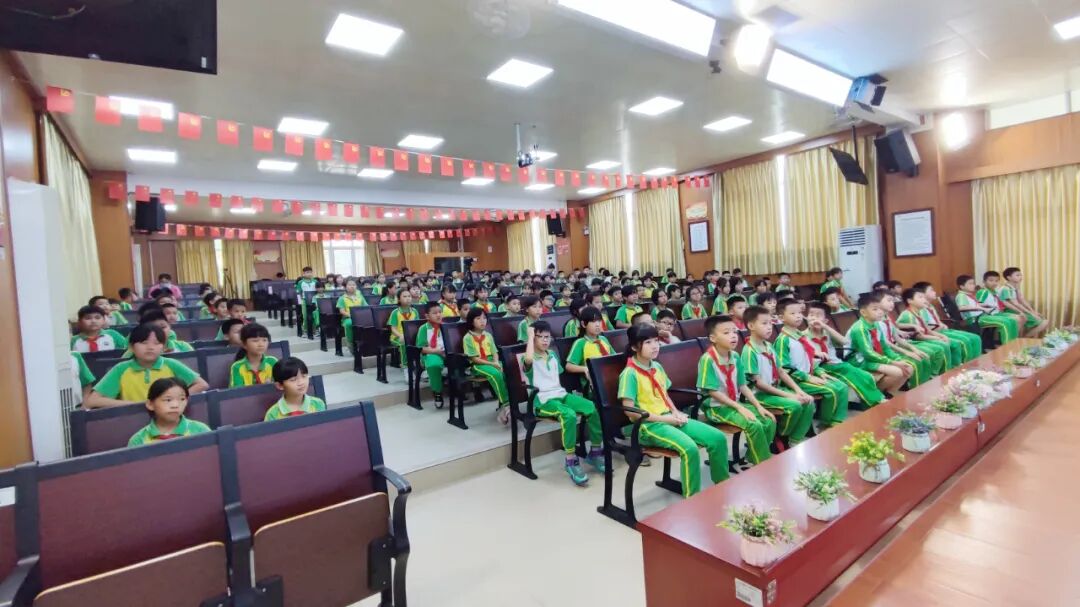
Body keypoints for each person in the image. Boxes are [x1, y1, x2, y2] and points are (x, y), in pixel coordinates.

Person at [619, 324, 729, 496]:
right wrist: (667, 419)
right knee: (689, 449)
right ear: (634, 347)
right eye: (648, 342)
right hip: (648, 426)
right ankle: (693, 498)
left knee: (717, 438)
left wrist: (675, 412)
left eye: (656, 341)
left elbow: (664, 394)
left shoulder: (657, 367)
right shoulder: (629, 374)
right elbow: (630, 411)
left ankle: (723, 485)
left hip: (668, 418)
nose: (655, 346)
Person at [522, 321, 604, 485]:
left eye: (547, 337)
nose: (545, 340)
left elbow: (558, 376)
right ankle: (571, 460)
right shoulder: (528, 358)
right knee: (568, 414)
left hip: (560, 394)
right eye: (540, 337)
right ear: (533, 338)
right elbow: (529, 358)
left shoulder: (552, 354)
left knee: (592, 408)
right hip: (543, 401)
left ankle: (595, 452)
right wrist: (530, 336)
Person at [696, 315, 775, 465]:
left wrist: (758, 406)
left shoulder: (735, 356)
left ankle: (754, 457)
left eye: (734, 331)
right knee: (753, 424)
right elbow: (712, 391)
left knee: (768, 419)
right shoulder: (708, 359)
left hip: (734, 404)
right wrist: (740, 408)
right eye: (726, 333)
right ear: (713, 338)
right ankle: (763, 463)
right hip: (716, 408)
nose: (733, 336)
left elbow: (742, 385)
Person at [85, 323, 208, 408]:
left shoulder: (171, 364)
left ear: (163, 347)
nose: (150, 347)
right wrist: (132, 405)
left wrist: (173, 400)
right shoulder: (121, 369)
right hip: (132, 418)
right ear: (131, 347)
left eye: (157, 343)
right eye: (144, 343)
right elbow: (92, 400)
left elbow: (202, 384)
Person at [740, 306, 815, 446]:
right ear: (751, 326)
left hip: (775, 389)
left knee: (808, 401)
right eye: (764, 323)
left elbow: (781, 372)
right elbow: (759, 383)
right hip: (759, 395)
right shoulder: (749, 351)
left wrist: (799, 391)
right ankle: (779, 437)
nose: (769, 327)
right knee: (795, 405)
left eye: (770, 323)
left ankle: (794, 439)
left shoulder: (769, 346)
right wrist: (790, 395)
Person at [773, 300, 849, 427]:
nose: (798, 316)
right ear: (781, 318)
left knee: (842, 386)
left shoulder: (799, 334)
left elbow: (808, 358)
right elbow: (785, 368)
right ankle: (826, 424)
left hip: (807, 376)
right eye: (793, 313)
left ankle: (837, 421)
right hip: (795, 381)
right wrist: (808, 377)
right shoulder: (783, 340)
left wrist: (819, 371)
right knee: (831, 390)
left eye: (799, 312)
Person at [804, 302, 885, 407]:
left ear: (825, 320)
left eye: (818, 315)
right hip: (820, 367)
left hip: (837, 364)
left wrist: (825, 327)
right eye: (811, 314)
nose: (814, 318)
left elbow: (844, 341)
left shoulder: (827, 332)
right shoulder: (803, 336)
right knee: (850, 373)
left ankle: (872, 400)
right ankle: (875, 402)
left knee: (866, 376)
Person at [844, 293, 914, 395]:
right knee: (897, 372)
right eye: (875, 309)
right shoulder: (859, 329)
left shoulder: (876, 324)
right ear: (863, 312)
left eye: (880, 309)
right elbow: (868, 353)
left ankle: (890, 394)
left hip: (873, 358)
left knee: (909, 368)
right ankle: (875, 393)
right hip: (859, 360)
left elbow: (885, 347)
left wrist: (898, 359)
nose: (880, 312)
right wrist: (893, 362)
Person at [877, 291, 939, 387]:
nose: (892, 303)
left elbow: (897, 338)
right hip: (885, 352)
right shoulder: (876, 321)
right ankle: (915, 386)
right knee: (916, 361)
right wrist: (907, 352)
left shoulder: (886, 317)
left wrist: (913, 349)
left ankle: (926, 382)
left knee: (924, 355)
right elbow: (886, 343)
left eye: (892, 301)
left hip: (894, 346)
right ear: (877, 303)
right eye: (888, 300)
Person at [127, 378, 211, 447]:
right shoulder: (138, 440)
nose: (175, 405)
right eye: (168, 400)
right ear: (150, 404)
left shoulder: (200, 430)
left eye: (182, 399)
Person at [911, 282, 983, 362]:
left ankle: (976, 361)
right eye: (931, 290)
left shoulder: (930, 306)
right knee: (960, 342)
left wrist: (941, 324)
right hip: (934, 333)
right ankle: (961, 364)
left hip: (941, 330)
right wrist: (938, 329)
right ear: (923, 294)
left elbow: (937, 321)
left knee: (975, 338)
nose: (934, 292)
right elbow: (926, 328)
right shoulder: (921, 309)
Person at [462, 307, 511, 424]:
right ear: (471, 321)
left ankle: (512, 400)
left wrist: (496, 362)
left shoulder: (488, 335)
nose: (482, 321)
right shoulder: (468, 338)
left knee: (509, 369)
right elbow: (474, 358)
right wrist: (493, 364)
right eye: (478, 318)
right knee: (495, 374)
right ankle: (506, 404)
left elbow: (495, 352)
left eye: (484, 318)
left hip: (492, 361)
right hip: (478, 365)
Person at [897, 288, 960, 370]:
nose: (924, 299)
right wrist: (938, 338)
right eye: (920, 297)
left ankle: (951, 368)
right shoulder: (907, 315)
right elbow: (919, 336)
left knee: (947, 341)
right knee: (943, 345)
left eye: (924, 297)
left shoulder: (919, 312)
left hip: (924, 338)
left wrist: (942, 336)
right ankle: (940, 372)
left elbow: (928, 330)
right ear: (910, 301)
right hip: (915, 341)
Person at [955, 274, 1018, 344]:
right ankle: (1008, 345)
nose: (973, 285)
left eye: (973, 283)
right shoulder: (961, 296)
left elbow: (973, 305)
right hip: (974, 319)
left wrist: (985, 305)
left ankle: (1013, 342)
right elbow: (961, 307)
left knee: (1011, 320)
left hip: (980, 316)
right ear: (962, 286)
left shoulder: (969, 295)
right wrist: (981, 308)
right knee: (1005, 322)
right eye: (970, 284)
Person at [566, 307, 615, 393]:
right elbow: (569, 366)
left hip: (609, 377)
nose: (598, 325)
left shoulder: (603, 339)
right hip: (593, 384)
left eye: (599, 321)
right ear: (583, 324)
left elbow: (614, 357)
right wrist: (585, 369)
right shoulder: (580, 343)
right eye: (593, 321)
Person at [983, 271, 1040, 336]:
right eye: (991, 280)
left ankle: (1015, 338)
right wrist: (1028, 312)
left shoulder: (995, 291)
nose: (994, 283)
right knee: (1021, 318)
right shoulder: (984, 291)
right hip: (993, 314)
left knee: (1022, 318)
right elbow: (1011, 303)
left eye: (996, 281)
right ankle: (1013, 338)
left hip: (998, 312)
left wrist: (1028, 311)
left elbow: (1017, 300)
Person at [1000, 267, 1048, 337]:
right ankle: (1024, 338)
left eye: (1020, 275)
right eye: (1017, 275)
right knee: (1044, 322)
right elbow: (1015, 304)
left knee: (1043, 320)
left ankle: (1024, 338)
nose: (1020, 277)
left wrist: (1033, 311)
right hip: (1010, 311)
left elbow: (1022, 300)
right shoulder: (1006, 289)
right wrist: (1031, 313)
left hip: (1016, 310)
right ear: (1009, 277)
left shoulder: (1014, 287)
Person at [417, 302, 446, 404]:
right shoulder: (424, 328)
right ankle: (437, 392)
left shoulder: (445, 326)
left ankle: (460, 390)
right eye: (434, 313)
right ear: (427, 316)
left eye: (440, 312)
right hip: (431, 353)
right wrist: (436, 351)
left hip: (446, 352)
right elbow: (421, 348)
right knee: (434, 364)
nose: (438, 315)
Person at [336, 279, 368, 351]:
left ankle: (366, 344)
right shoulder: (342, 298)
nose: (352, 286)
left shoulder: (360, 297)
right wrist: (351, 315)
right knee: (349, 324)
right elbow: (342, 311)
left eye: (353, 285)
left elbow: (366, 307)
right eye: (350, 285)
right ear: (345, 287)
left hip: (361, 317)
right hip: (348, 318)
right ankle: (350, 344)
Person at [387, 290, 417, 363]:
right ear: (399, 299)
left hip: (411, 336)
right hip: (397, 337)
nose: (408, 298)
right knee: (403, 341)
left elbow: (417, 326)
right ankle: (405, 365)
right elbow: (393, 328)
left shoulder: (415, 311)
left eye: (409, 296)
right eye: (404, 296)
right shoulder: (395, 312)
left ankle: (420, 363)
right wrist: (401, 335)